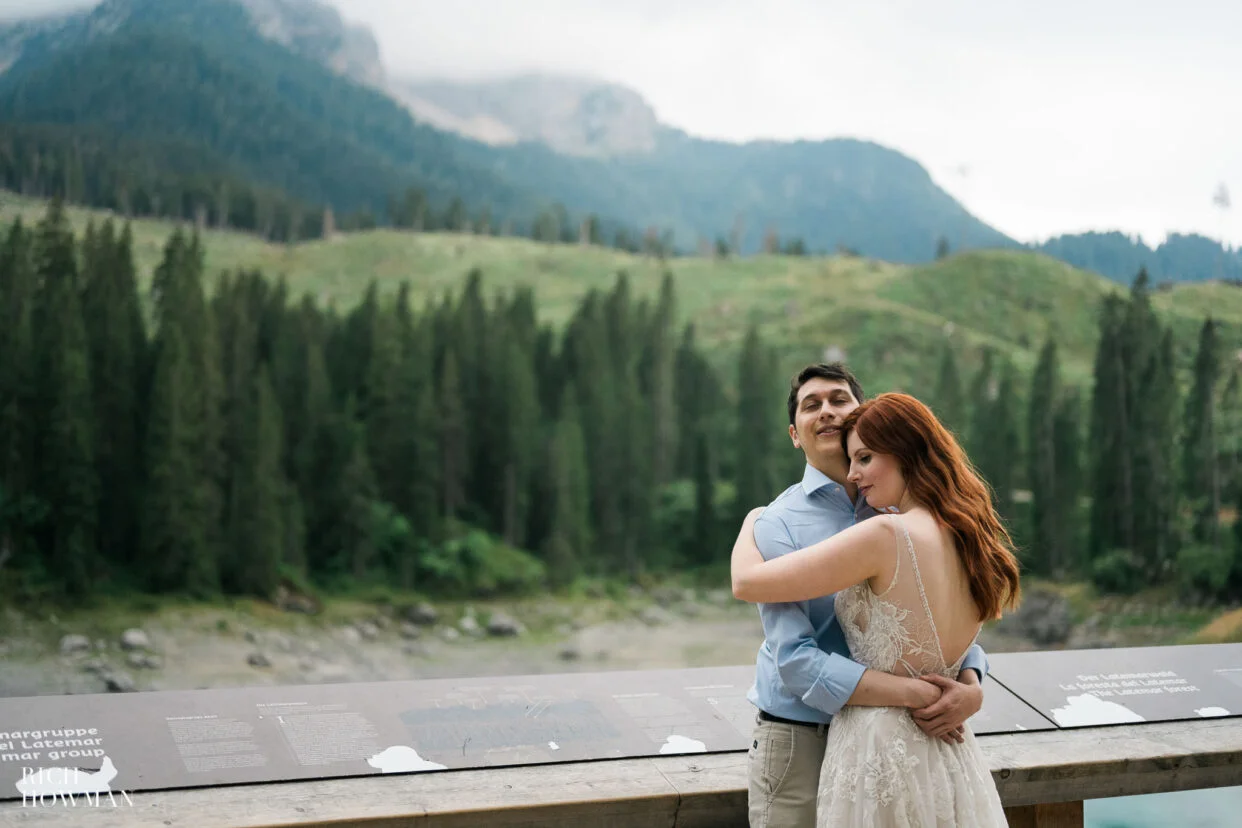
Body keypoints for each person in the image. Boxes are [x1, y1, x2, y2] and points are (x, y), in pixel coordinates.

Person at [732, 391, 1021, 827]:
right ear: (794, 432)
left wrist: (748, 522)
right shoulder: (970, 536)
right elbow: (937, 638)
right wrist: (963, 685)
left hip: (877, 746)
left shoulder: (885, 532)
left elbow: (748, 583)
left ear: (904, 450)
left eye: (865, 458)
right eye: (854, 460)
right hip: (944, 750)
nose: (855, 473)